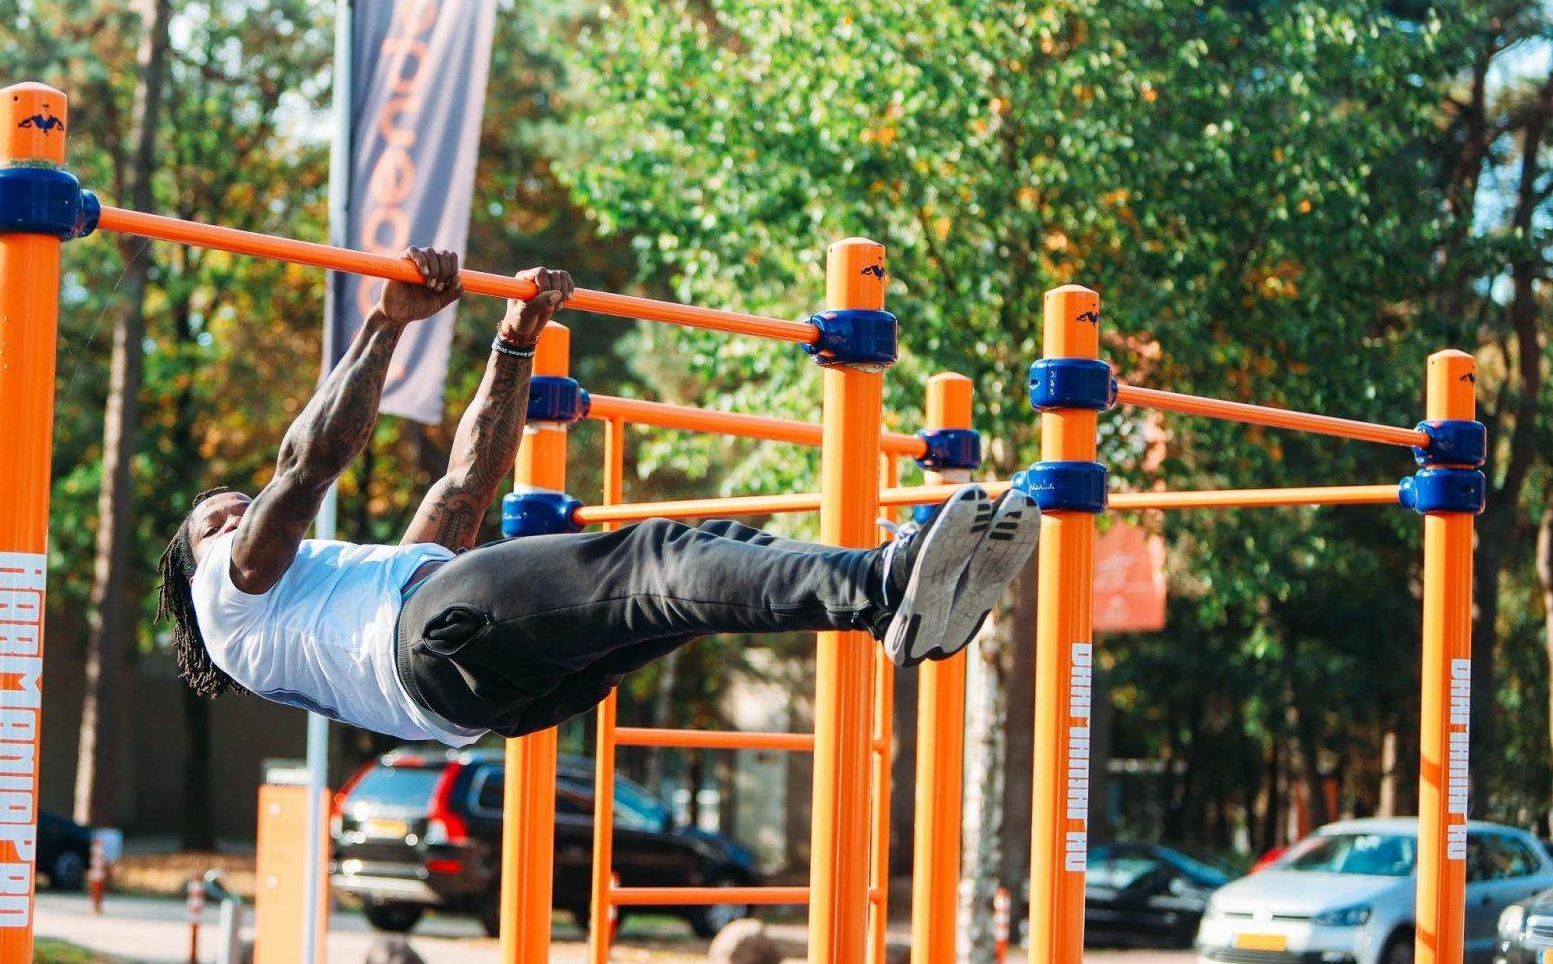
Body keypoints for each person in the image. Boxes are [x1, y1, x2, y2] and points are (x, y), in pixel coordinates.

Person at [155, 247, 1038, 745]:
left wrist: (512, 344)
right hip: (428, 646)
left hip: (476, 694)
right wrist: (386, 321)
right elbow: (306, 468)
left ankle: (889, 608)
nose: (233, 515)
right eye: (214, 520)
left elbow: (467, 483)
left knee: (694, 576)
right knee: (656, 558)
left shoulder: (341, 583)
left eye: (233, 505)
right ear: (196, 567)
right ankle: (886, 582)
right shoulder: (228, 601)